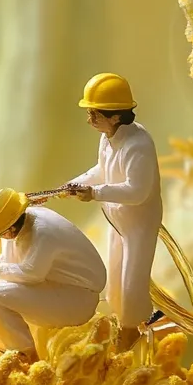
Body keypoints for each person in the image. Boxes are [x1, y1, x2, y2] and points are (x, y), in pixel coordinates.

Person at [65, 72, 163, 353]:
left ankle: (133, 331)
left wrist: (95, 193)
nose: (89, 119)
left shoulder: (138, 145)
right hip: (116, 219)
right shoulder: (107, 138)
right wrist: (75, 184)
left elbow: (137, 191)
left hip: (138, 224)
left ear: (116, 116)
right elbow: (102, 171)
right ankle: (123, 324)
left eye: (94, 114)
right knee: (116, 279)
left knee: (133, 281)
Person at [0, 188, 106, 359]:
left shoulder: (43, 232)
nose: (1, 237)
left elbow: (31, 273)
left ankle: (25, 356)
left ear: (9, 227)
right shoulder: (16, 223)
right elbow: (12, 261)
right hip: (51, 284)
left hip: (77, 298)